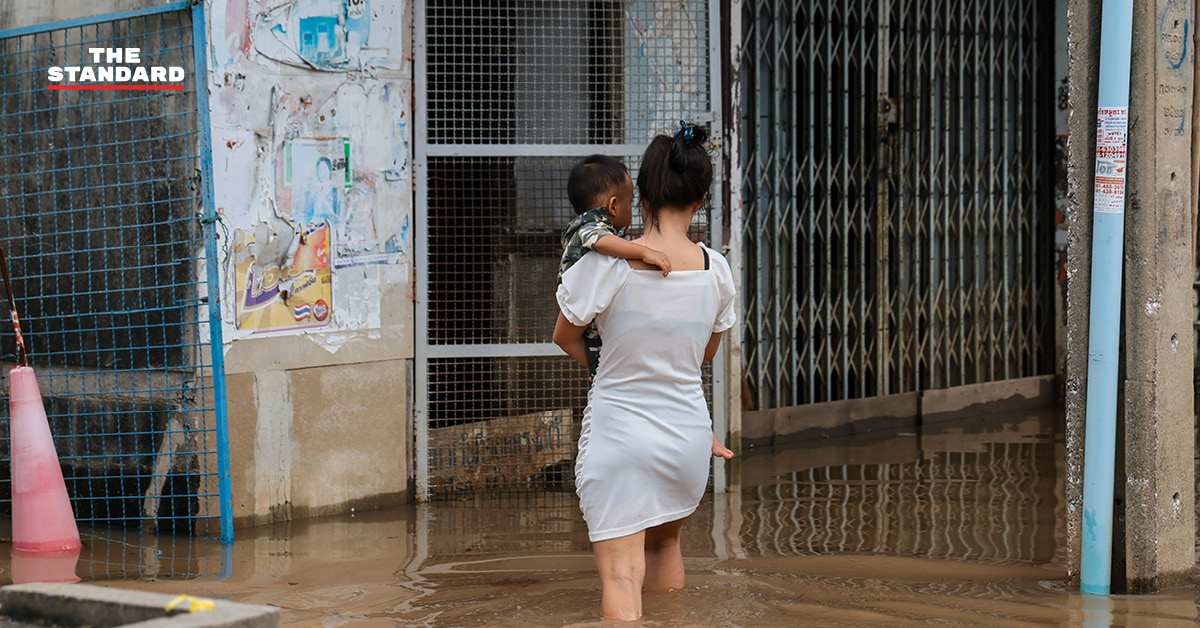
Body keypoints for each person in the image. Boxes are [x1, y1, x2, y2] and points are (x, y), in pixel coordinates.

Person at [553, 123, 736, 621]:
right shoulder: (715, 269)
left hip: (621, 435)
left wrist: (604, 367)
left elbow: (565, 336)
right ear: (700, 199)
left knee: (620, 576)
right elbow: (700, 355)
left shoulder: (607, 263)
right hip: (685, 439)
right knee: (663, 549)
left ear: (642, 194)